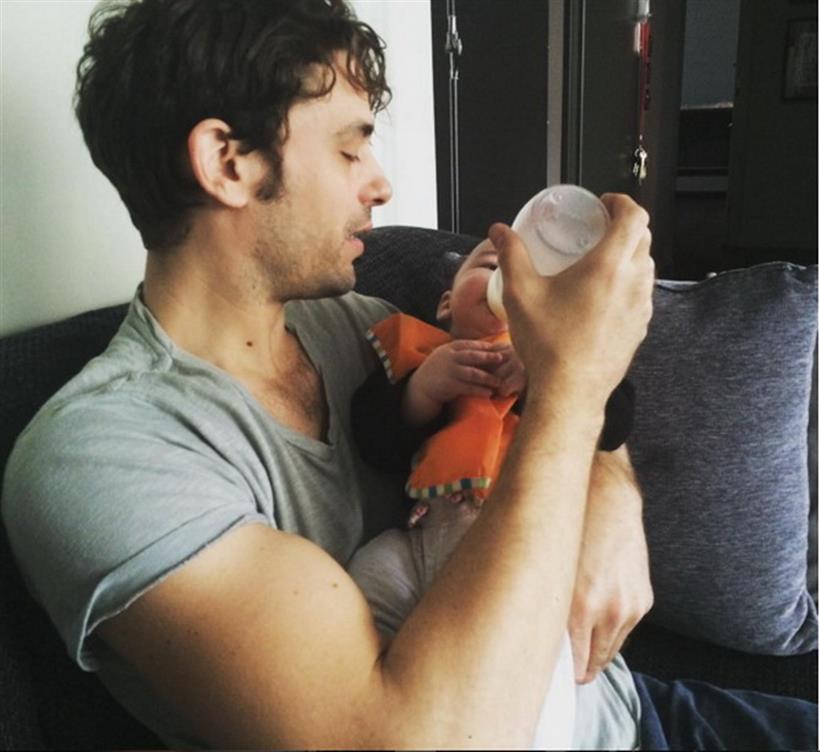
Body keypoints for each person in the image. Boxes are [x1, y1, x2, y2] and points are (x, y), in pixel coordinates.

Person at [0, 1, 814, 749]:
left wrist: (610, 495)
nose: (382, 183)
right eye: (350, 147)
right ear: (228, 162)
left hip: (639, 710)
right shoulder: (99, 457)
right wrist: (575, 385)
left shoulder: (368, 327)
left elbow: (530, 415)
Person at [347, 238, 642, 749]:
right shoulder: (419, 354)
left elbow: (614, 420)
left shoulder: (563, 358)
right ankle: (380, 694)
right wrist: (421, 391)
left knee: (536, 646)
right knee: (366, 575)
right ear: (446, 303)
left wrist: (548, 375)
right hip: (420, 536)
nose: (511, 283)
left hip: (522, 547)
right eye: (490, 266)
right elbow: (374, 439)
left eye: (540, 279)